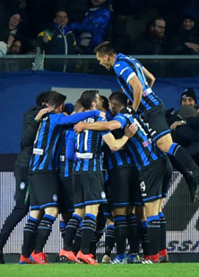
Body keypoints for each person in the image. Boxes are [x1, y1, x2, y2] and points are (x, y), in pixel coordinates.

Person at [94, 41, 199, 202]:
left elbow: (138, 87)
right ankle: (191, 178)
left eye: (100, 59)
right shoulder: (130, 59)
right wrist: (141, 97)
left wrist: (134, 108)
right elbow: (151, 78)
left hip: (151, 110)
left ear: (106, 56)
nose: (100, 63)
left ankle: (198, 174)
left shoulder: (119, 65)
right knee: (163, 147)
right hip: (152, 106)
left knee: (164, 145)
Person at [74, 91, 172, 264]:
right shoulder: (132, 116)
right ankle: (143, 253)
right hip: (138, 168)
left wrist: (86, 126)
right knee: (140, 212)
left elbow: (113, 145)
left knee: (120, 214)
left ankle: (123, 255)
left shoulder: (110, 121)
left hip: (119, 171)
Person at [20, 91, 102, 265]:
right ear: (58, 107)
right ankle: (38, 252)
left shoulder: (42, 119)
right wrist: (95, 113)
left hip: (33, 170)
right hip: (45, 171)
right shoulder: (55, 118)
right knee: (52, 211)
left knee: (35, 213)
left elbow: (71, 111)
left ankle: (25, 256)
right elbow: (71, 119)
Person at [60, 90, 133, 265]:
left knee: (78, 212)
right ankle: (85, 253)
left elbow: (70, 153)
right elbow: (114, 145)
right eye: (99, 98)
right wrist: (126, 136)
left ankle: (67, 249)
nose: (101, 100)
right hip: (92, 171)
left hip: (76, 171)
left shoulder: (76, 120)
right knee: (91, 213)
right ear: (93, 104)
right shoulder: (100, 122)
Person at [0, 91, 52, 264]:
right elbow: (25, 140)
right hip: (26, 167)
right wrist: (38, 118)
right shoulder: (32, 114)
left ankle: (29, 253)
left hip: (38, 169)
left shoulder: (51, 116)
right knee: (21, 208)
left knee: (37, 209)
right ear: (46, 104)